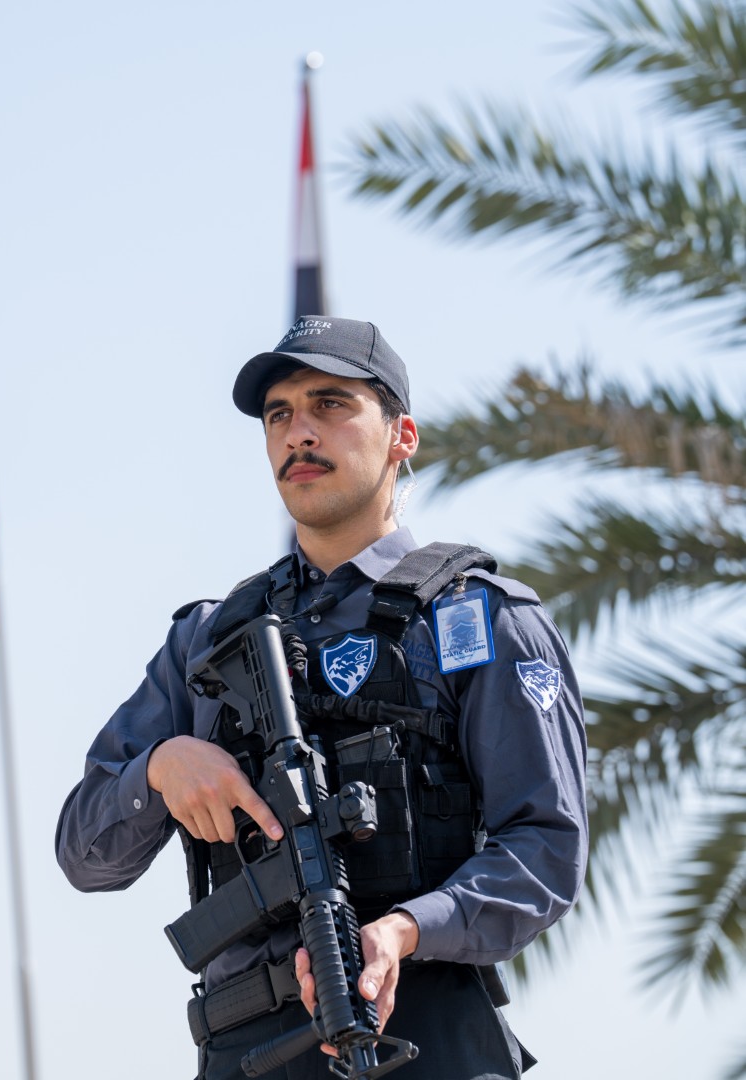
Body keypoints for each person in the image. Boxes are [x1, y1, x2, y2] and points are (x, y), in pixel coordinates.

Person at [55, 317, 586, 1079]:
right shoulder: (206, 639)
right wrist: (161, 770)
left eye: (331, 404)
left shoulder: (477, 620)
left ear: (402, 436)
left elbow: (545, 847)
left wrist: (404, 930)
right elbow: (84, 855)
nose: (298, 432)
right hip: (247, 1050)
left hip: (421, 1028)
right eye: (279, 415)